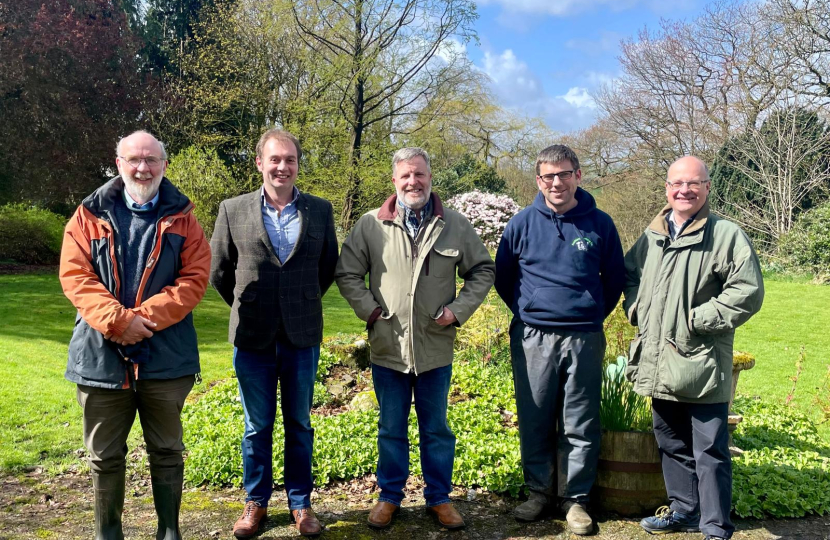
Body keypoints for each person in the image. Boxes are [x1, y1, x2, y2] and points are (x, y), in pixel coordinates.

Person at [59, 130, 211, 540]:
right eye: (134, 159)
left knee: (167, 451)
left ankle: (169, 532)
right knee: (104, 456)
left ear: (164, 164)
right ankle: (108, 534)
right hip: (100, 358)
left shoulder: (185, 218)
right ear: (118, 163)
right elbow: (75, 277)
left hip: (166, 358)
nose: (142, 167)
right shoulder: (86, 215)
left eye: (151, 160)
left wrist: (141, 319)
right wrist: (117, 321)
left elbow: (195, 279)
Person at [334, 147, 494, 531]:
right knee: (391, 429)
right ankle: (389, 497)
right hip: (388, 348)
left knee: (436, 430)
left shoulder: (453, 224)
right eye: (405, 175)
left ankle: (439, 498)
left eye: (419, 174)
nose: (413, 182)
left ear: (430, 177)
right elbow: (348, 273)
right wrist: (371, 311)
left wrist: (457, 311)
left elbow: (483, 269)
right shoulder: (371, 224)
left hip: (434, 349)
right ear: (395, 180)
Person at [623, 156, 764, 540]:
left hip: (702, 363)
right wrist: (636, 307)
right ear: (667, 188)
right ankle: (684, 512)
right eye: (676, 183)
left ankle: (716, 527)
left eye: (693, 183)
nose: (684, 190)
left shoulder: (726, 235)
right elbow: (630, 274)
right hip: (658, 361)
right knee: (671, 442)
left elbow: (747, 292)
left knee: (710, 452)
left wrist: (696, 320)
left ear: (707, 187)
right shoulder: (653, 233)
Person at [210, 129, 338, 538]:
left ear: (298, 164)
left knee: (299, 423)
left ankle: (301, 504)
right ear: (259, 163)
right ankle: (256, 502)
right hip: (252, 337)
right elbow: (219, 271)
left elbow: (327, 267)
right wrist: (252, 306)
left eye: (290, 160)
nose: (283, 167)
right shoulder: (232, 209)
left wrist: (298, 302)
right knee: (256, 425)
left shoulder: (320, 210)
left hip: (302, 336)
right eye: (275, 159)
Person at [494, 144, 624, 535]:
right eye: (549, 176)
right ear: (538, 180)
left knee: (580, 419)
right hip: (533, 335)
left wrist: (587, 313)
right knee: (535, 416)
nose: (557, 182)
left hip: (584, 336)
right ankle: (538, 492)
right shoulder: (521, 223)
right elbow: (504, 277)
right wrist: (530, 309)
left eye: (564, 174)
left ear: (578, 176)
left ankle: (576, 500)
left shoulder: (600, 224)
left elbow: (615, 280)